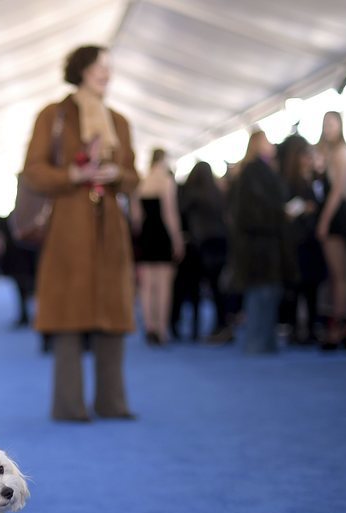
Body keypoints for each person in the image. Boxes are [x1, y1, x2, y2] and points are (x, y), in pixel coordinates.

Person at [22, 44, 139, 422]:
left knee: (113, 315)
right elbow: (34, 170)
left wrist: (116, 175)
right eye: (100, 67)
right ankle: (69, 406)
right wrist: (74, 175)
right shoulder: (53, 115)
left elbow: (134, 175)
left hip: (111, 231)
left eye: (109, 67)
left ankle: (112, 402)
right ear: (82, 70)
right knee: (68, 317)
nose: (107, 73)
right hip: (68, 228)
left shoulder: (119, 120)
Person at [229, 130, 294, 354]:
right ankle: (257, 343)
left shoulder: (259, 171)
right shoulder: (253, 172)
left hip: (263, 245)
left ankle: (263, 343)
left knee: (267, 294)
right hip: (259, 247)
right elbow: (253, 212)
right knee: (261, 295)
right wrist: (281, 214)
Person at [131, 148, 185, 345]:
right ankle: (161, 329)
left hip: (146, 235)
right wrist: (177, 239)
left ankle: (149, 326)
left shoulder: (141, 182)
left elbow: (136, 218)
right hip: (162, 235)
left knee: (147, 286)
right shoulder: (166, 180)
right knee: (163, 286)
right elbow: (170, 213)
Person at [278, 134, 326, 344]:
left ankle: (310, 327)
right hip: (296, 241)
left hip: (312, 240)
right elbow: (285, 211)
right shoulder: (287, 181)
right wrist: (303, 208)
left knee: (312, 286)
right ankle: (295, 328)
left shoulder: (314, 179)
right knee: (297, 286)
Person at [315, 111, 346, 350]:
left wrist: (324, 220)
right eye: (325, 124)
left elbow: (338, 190)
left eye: (331, 124)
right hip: (335, 215)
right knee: (335, 275)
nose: (327, 128)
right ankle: (338, 325)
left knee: (339, 276)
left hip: (337, 216)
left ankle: (338, 326)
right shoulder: (331, 154)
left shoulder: (341, 153)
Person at [179, 161, 230, 340]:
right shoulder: (216, 193)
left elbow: (182, 212)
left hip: (201, 244)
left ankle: (195, 328)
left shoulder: (192, 194)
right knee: (217, 288)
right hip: (220, 242)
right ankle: (222, 325)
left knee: (195, 289)